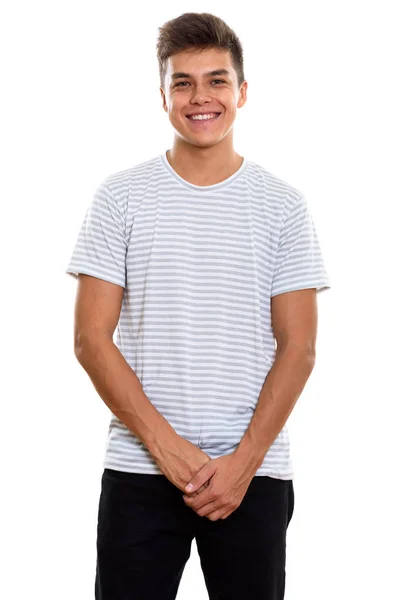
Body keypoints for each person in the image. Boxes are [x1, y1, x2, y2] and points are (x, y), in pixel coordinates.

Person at [65, 11, 331, 600]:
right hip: (139, 472)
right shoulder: (120, 196)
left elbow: (300, 348)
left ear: (242, 91)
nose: (200, 96)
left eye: (216, 79)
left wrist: (240, 464)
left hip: (253, 474)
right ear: (162, 96)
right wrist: (171, 451)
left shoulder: (283, 205)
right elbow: (90, 338)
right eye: (182, 82)